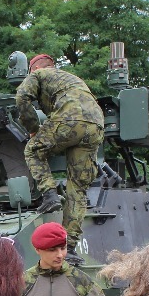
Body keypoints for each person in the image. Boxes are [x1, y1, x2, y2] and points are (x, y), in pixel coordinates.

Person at [15, 53, 104, 265]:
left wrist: (33, 129)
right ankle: (69, 247)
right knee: (78, 189)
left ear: (33, 69)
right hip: (96, 125)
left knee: (34, 150)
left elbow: (21, 97)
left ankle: (50, 194)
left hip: (70, 119)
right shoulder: (72, 79)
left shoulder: (38, 75)